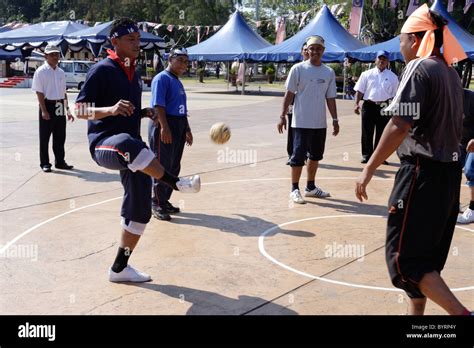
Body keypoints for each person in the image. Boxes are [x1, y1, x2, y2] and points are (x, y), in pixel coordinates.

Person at [355, 5, 471, 315]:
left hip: (422, 175)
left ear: (417, 40)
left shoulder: (419, 68)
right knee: (426, 261)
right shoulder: (450, 72)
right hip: (448, 178)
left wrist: (369, 168)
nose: (400, 46)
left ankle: (463, 315)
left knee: (405, 263)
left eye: (403, 39)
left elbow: (399, 124)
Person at [75, 18, 200, 283]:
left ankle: (119, 268)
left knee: (140, 208)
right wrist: (109, 110)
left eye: (138, 40)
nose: (136, 44)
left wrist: (144, 113)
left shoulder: (133, 74)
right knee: (131, 146)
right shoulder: (101, 70)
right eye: (130, 40)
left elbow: (127, 113)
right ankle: (175, 183)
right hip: (105, 144)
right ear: (115, 42)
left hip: (132, 152)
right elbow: (78, 110)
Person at [278, 35, 339, 205]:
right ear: (307, 50)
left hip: (320, 123)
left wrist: (335, 119)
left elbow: (331, 98)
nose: (315, 51)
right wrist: (282, 116)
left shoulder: (329, 72)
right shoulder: (298, 69)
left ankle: (310, 188)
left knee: (315, 156)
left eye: (318, 48)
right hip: (300, 122)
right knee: (298, 157)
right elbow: (289, 94)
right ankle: (294, 189)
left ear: (323, 51)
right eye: (312, 48)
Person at [148, 47, 193, 221]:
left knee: (174, 166)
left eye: (186, 61)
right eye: (180, 60)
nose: (184, 64)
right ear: (170, 59)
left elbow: (182, 109)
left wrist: (187, 129)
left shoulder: (177, 81)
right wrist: (164, 128)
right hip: (165, 124)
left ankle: (164, 200)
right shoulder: (162, 78)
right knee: (161, 165)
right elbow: (158, 105)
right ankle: (156, 202)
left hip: (178, 124)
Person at [32, 44, 74, 172]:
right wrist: (44, 110)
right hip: (47, 105)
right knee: (45, 137)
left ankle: (60, 162)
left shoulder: (61, 72)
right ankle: (45, 163)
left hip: (60, 104)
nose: (55, 57)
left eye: (57, 54)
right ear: (46, 56)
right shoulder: (40, 72)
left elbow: (64, 92)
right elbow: (39, 92)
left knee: (60, 136)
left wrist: (67, 110)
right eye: (52, 54)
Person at [354, 50, 399, 164]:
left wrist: (394, 109)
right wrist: (356, 104)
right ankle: (366, 155)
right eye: (380, 58)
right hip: (369, 105)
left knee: (382, 133)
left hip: (385, 106)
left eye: (384, 59)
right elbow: (359, 90)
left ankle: (379, 156)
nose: (382, 61)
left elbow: (395, 95)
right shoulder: (366, 74)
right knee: (366, 132)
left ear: (388, 61)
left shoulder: (393, 77)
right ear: (375, 60)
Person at [285, 42, 309, 163]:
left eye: (308, 49)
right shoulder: (296, 68)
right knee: (292, 129)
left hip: (309, 106)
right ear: (301, 52)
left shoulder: (319, 68)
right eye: (304, 49)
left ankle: (306, 154)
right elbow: (289, 90)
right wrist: (288, 106)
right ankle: (291, 154)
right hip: (294, 103)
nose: (306, 52)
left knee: (308, 131)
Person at [457, 89, 474, 224]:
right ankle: (452, 204)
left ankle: (473, 209)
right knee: (452, 168)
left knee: (470, 170)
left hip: (472, 140)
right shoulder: (444, 95)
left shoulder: (470, 98)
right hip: (459, 142)